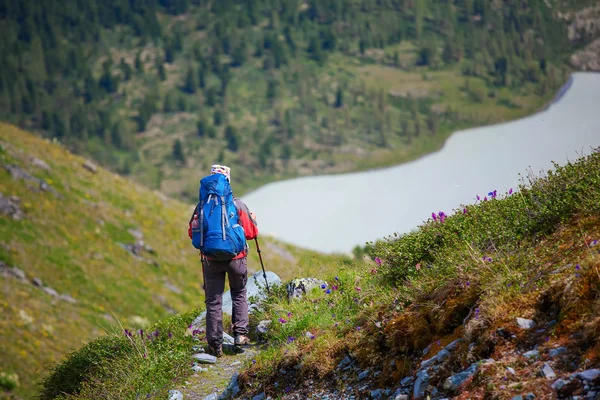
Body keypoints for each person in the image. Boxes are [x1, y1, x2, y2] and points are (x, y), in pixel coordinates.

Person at [190, 164, 259, 357]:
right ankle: (241, 336)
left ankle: (215, 346)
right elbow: (251, 233)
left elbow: (192, 232)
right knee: (238, 293)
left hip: (211, 260)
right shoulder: (237, 204)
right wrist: (253, 219)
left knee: (213, 301)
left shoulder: (201, 206)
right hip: (236, 258)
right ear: (228, 181)